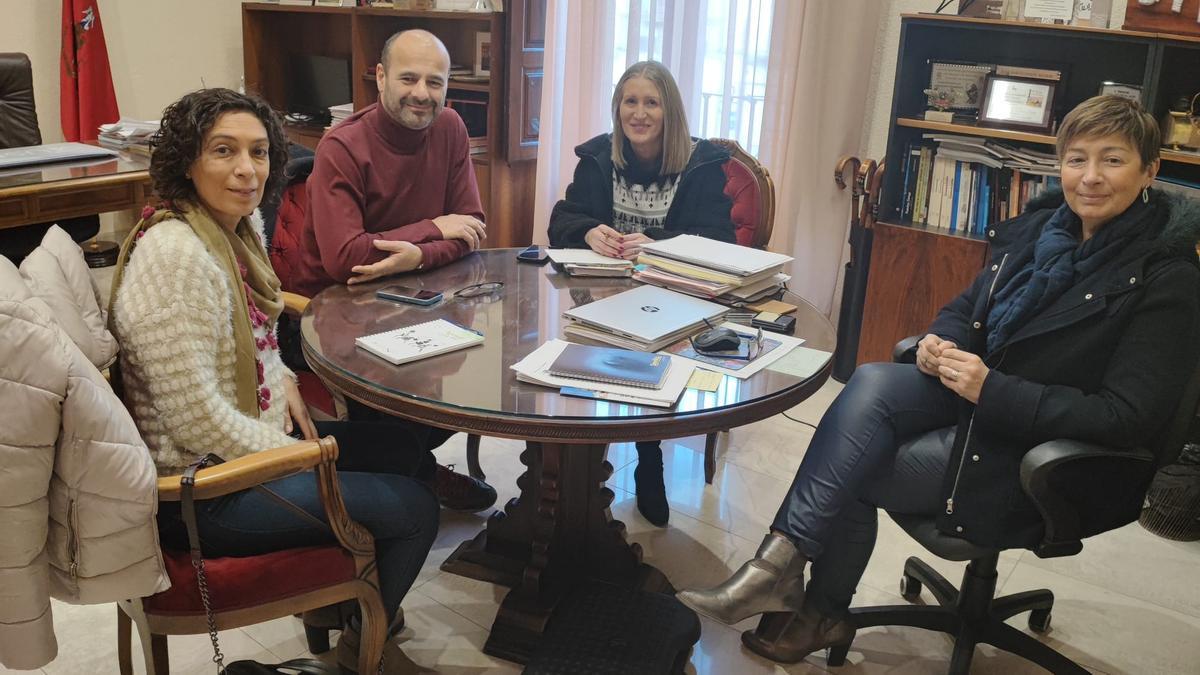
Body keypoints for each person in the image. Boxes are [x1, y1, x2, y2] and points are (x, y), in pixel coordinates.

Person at [677, 95, 1200, 664]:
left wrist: (991, 389)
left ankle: (815, 605)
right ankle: (777, 571)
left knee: (851, 464)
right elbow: (965, 308)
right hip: (979, 405)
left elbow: (1127, 417)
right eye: (1076, 159)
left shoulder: (1167, 279)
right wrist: (939, 342)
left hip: (1037, 449)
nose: (1090, 178)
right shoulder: (1040, 234)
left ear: (1150, 170)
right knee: (873, 382)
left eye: (1113, 160)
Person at [109, 88, 438, 672]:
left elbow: (258, 336)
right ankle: (357, 648)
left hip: (242, 444)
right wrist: (301, 454)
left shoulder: (232, 230)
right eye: (224, 151)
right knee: (415, 508)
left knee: (403, 447)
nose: (247, 170)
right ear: (187, 161)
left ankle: (345, 611)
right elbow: (195, 422)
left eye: (259, 153)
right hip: (205, 490)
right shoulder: (177, 257)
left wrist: (282, 375)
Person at [288, 28, 496, 512]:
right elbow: (346, 259)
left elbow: (471, 229)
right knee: (397, 399)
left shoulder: (451, 129)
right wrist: (433, 227)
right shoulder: (342, 145)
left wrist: (417, 254)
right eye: (408, 78)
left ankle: (408, 470)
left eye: (435, 81)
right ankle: (411, 477)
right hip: (338, 310)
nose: (422, 93)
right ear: (380, 78)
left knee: (471, 380)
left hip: (421, 297)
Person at [548, 60, 736, 527]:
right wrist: (589, 231)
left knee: (650, 360)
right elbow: (561, 221)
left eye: (651, 102)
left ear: (668, 110)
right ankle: (581, 470)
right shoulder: (597, 157)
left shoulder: (703, 165)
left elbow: (723, 241)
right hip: (605, 293)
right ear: (617, 109)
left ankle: (649, 461)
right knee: (589, 359)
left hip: (673, 296)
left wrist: (661, 245)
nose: (639, 113)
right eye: (629, 101)